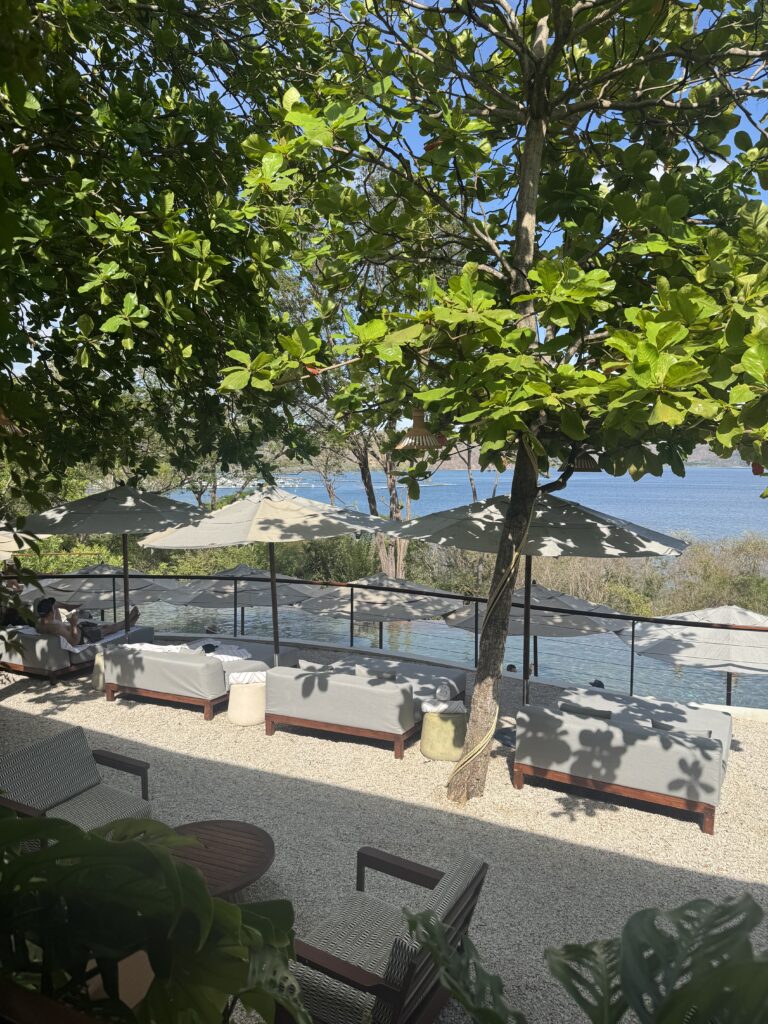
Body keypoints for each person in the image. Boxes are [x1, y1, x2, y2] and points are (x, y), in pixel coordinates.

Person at [36, 597, 139, 644]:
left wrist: (67, 607)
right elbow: (74, 641)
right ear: (50, 612)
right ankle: (128, 621)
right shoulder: (56, 627)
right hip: (83, 637)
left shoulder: (39, 623)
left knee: (44, 599)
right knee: (107, 628)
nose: (55, 609)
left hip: (79, 630)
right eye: (53, 609)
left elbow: (51, 604)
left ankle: (130, 623)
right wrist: (73, 624)